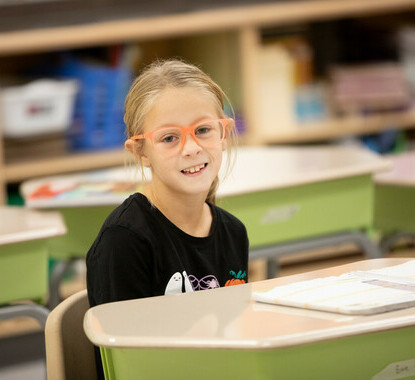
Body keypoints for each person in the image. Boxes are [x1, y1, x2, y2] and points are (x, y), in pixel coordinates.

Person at [86, 59, 249, 378]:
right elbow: (127, 365)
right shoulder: (124, 240)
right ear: (141, 152)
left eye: (203, 130)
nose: (191, 148)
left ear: (223, 134)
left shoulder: (233, 231)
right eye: (169, 138)